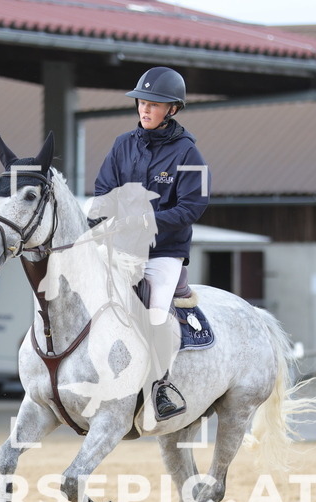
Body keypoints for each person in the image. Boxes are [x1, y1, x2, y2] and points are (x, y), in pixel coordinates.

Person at [93, 66, 211, 421]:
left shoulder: (189, 154)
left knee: (156, 311)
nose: (144, 109)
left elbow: (193, 206)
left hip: (164, 253)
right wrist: (99, 217)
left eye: (153, 104)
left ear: (172, 109)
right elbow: (103, 190)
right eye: (142, 102)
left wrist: (148, 221)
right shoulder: (122, 145)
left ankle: (161, 386)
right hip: (121, 248)